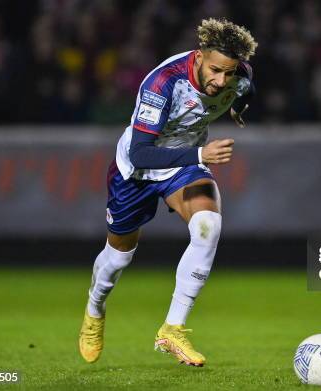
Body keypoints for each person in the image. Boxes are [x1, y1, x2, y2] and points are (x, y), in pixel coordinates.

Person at [78, 18, 257, 367]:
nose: (221, 82)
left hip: (183, 166)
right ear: (199, 56)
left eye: (229, 73)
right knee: (118, 259)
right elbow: (139, 152)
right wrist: (201, 155)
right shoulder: (163, 83)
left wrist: (237, 107)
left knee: (208, 225)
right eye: (215, 70)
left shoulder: (239, 77)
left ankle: (172, 328)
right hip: (136, 171)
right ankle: (94, 309)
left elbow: (247, 87)